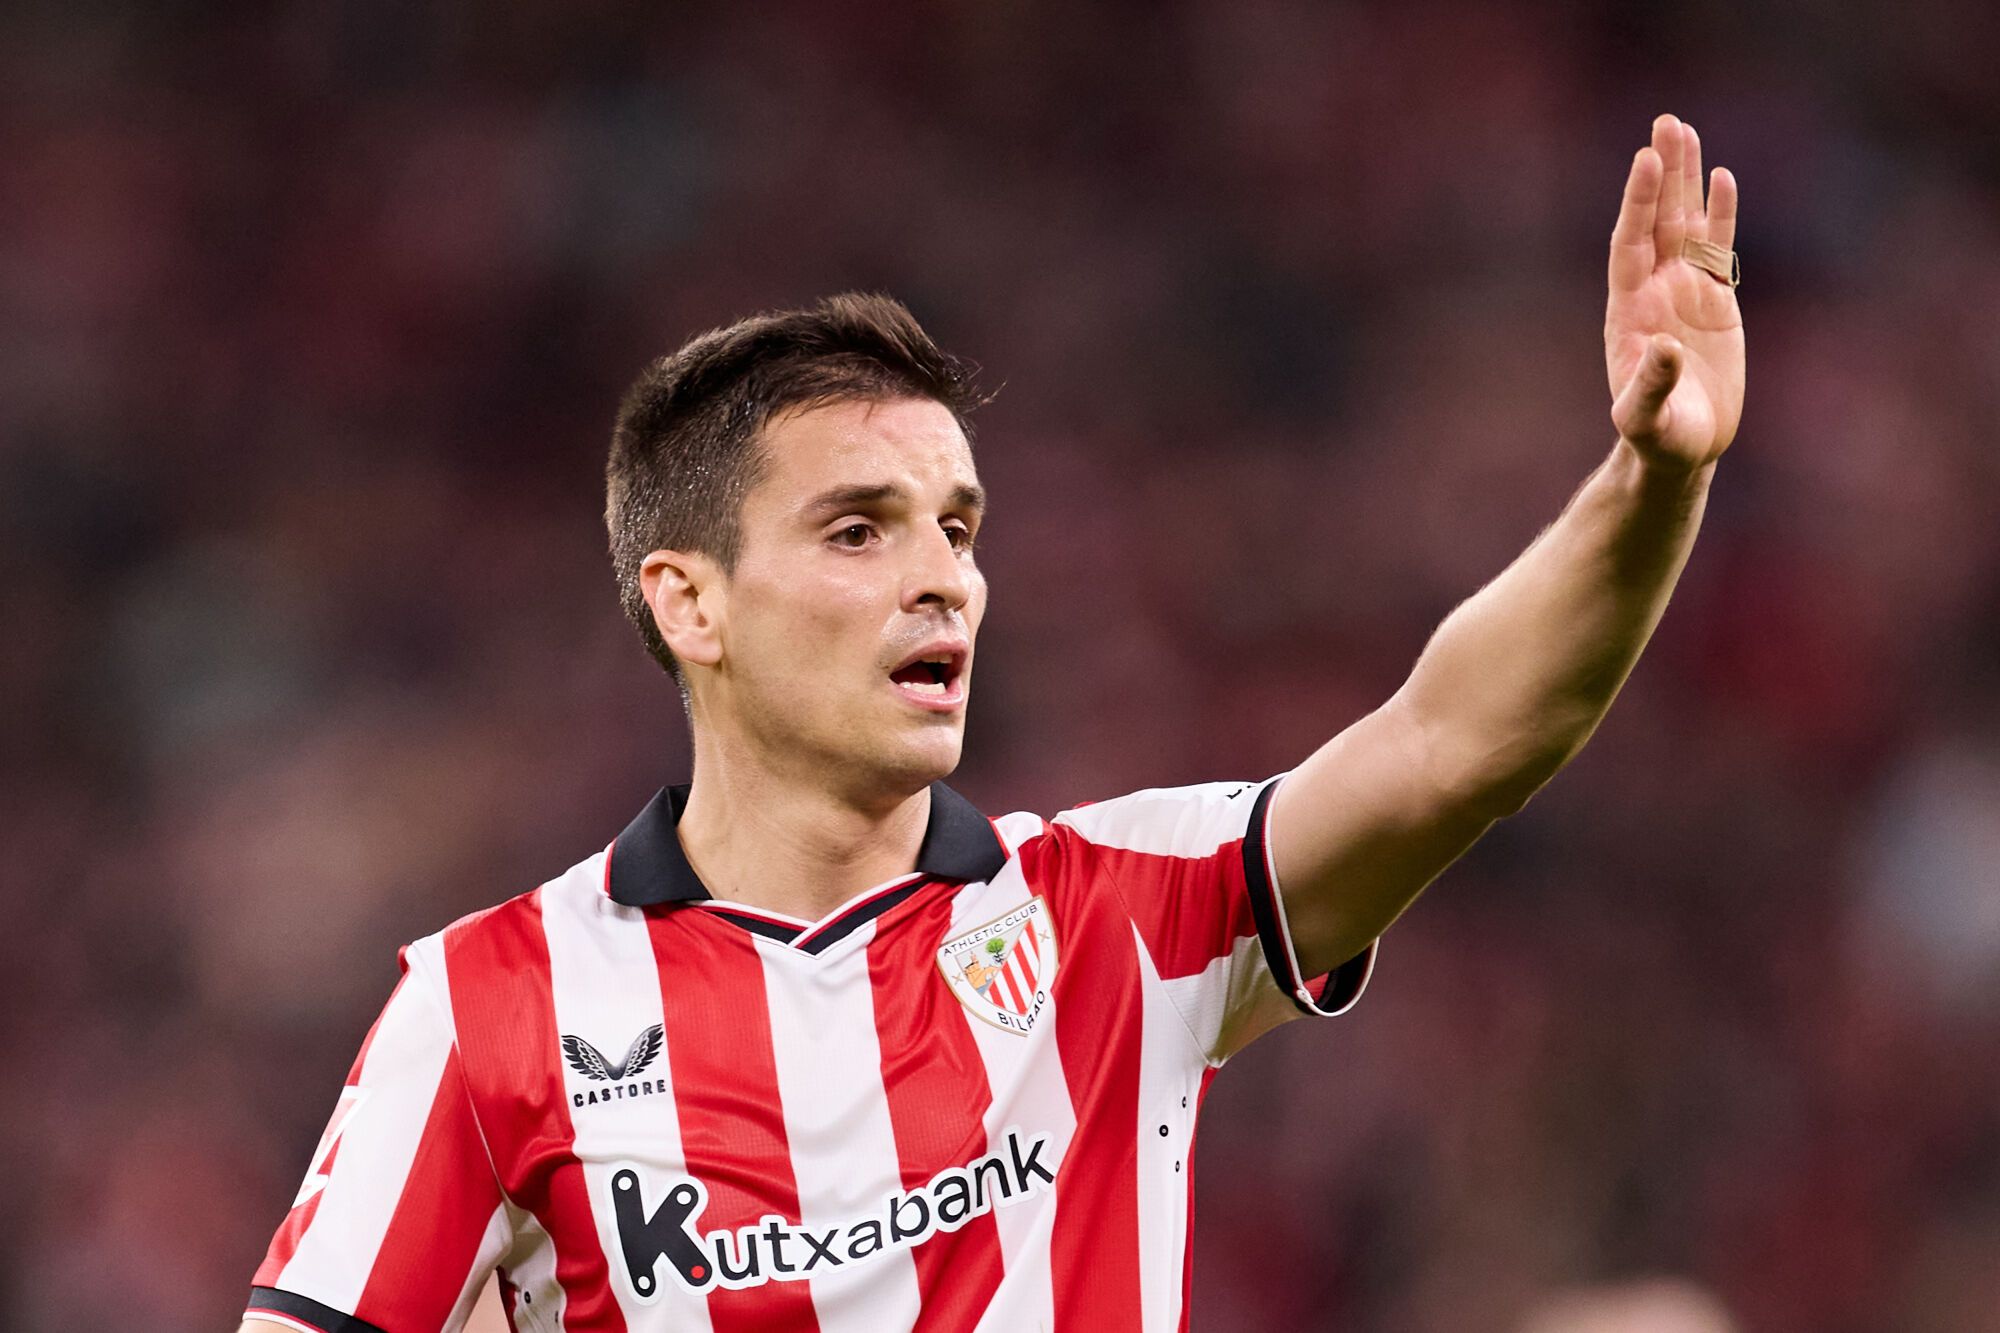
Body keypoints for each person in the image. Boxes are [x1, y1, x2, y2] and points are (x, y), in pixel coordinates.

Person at [240, 112, 1743, 1332]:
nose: (943, 580)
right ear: (690, 604)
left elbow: (1458, 741)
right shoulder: (490, 1002)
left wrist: (1653, 479)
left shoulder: (1122, 912)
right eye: (858, 531)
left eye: (957, 526)